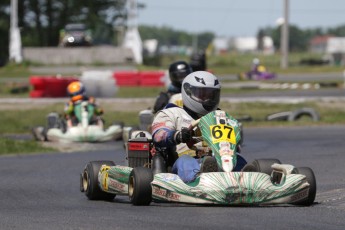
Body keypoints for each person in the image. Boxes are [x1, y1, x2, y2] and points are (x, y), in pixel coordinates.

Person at [151, 71, 246, 183]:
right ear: (188, 92)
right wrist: (178, 135)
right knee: (185, 161)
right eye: (203, 95)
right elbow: (158, 135)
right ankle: (199, 178)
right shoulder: (172, 114)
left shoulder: (221, 117)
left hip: (219, 160)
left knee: (239, 159)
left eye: (211, 95)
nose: (208, 100)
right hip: (184, 160)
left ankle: (247, 179)